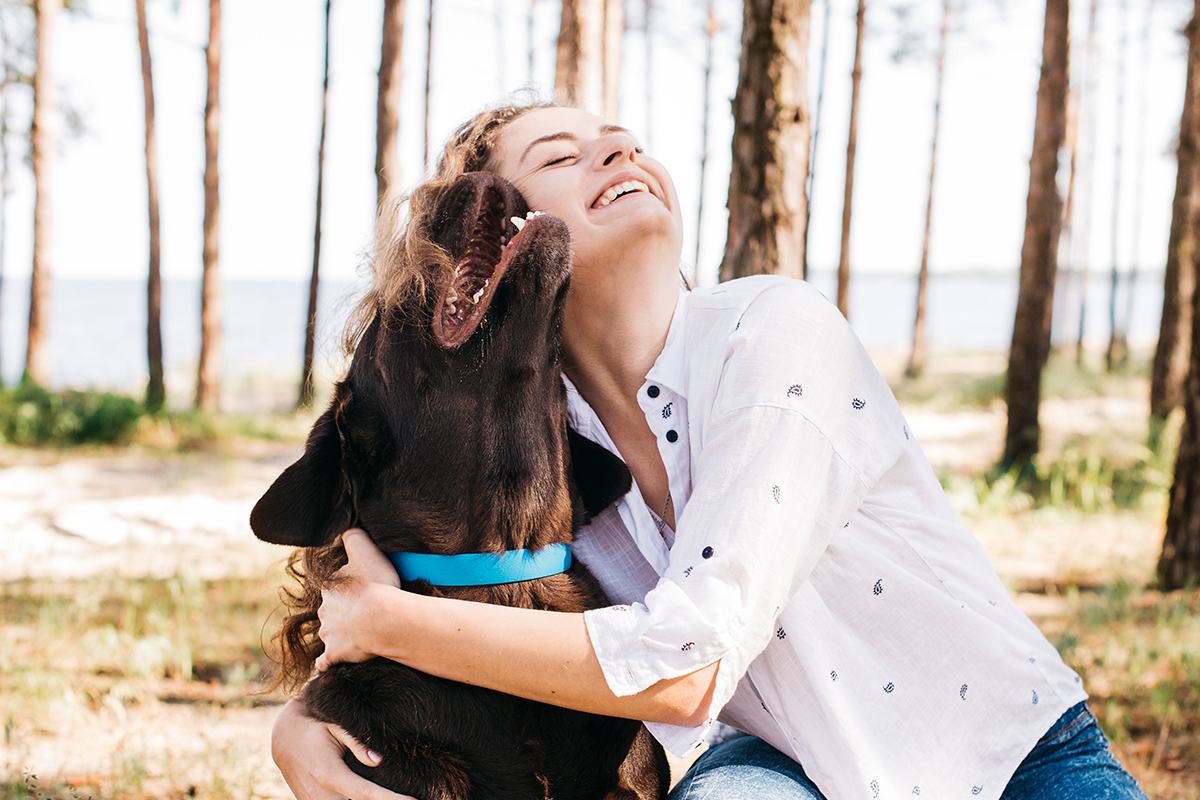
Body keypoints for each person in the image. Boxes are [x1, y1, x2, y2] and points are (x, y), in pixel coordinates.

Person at [270, 99, 1148, 800]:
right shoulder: (539, 450)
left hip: (1009, 760)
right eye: (558, 156)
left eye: (617, 138)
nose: (615, 146)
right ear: (499, 242)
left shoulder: (775, 332)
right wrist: (300, 723)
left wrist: (393, 624)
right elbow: (406, 565)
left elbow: (691, 667)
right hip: (772, 768)